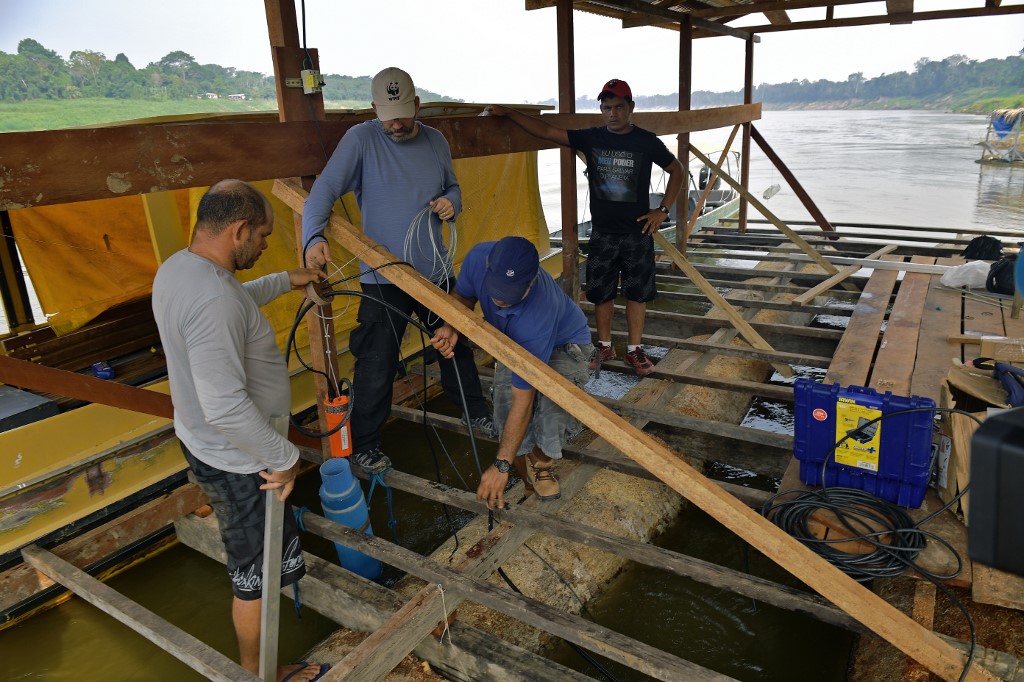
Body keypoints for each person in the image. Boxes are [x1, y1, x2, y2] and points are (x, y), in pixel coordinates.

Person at [152, 180, 330, 682]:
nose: (266, 244)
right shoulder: (214, 299)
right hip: (240, 459)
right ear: (239, 229)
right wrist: (286, 457)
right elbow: (226, 407)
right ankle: (260, 675)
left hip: (206, 445)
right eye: (263, 236)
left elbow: (233, 299)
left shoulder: (180, 269)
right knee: (253, 576)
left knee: (255, 565)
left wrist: (285, 279)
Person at [302, 66, 493, 474]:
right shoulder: (361, 139)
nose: (397, 123)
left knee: (455, 346)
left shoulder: (436, 140)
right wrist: (312, 238)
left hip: (435, 271)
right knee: (377, 362)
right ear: (374, 108)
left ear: (417, 106)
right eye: (388, 115)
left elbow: (454, 187)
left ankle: (475, 413)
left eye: (404, 114)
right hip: (381, 276)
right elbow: (324, 190)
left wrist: (451, 203)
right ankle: (365, 446)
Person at [485, 79, 685, 376]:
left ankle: (634, 349)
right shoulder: (591, 138)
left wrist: (662, 210)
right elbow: (547, 131)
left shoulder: (646, 141)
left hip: (637, 232)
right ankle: (603, 345)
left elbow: (677, 170)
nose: (612, 113)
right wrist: (511, 113)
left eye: (618, 107)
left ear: (631, 107)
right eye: (606, 108)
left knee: (637, 294)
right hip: (602, 232)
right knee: (600, 293)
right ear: (601, 110)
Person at [429, 236, 594, 507]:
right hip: (510, 339)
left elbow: (524, 399)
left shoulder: (537, 314)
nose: (499, 300)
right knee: (504, 411)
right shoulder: (478, 256)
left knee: (551, 409)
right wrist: (451, 325)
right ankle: (527, 481)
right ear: (488, 266)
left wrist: (500, 465)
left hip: (563, 343)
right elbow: (462, 297)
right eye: (495, 290)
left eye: (509, 295)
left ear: (531, 282)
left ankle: (541, 465)